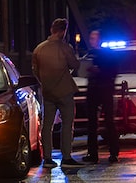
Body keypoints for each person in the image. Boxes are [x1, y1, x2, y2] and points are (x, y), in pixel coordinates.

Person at [32, 18, 80, 168]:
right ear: (63, 31)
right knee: (67, 124)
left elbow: (35, 71)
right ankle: (66, 156)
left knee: (47, 125)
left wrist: (44, 82)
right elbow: (74, 65)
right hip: (64, 90)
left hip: (48, 92)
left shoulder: (39, 49)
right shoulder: (65, 48)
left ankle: (47, 157)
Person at [84, 30, 121, 163]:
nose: (92, 40)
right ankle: (92, 153)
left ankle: (114, 152)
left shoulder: (109, 54)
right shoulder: (89, 54)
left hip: (105, 89)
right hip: (92, 90)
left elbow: (113, 71)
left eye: (94, 37)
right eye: (91, 37)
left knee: (109, 121)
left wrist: (100, 71)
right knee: (92, 123)